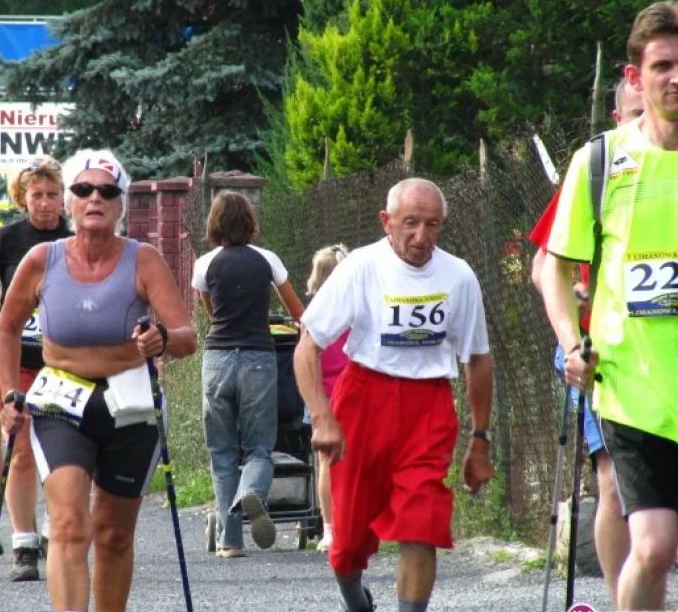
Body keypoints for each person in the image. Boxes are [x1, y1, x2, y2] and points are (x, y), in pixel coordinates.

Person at [542, 0, 678, 612]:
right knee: (656, 545)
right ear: (635, 76)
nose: (677, 77)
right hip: (631, 390)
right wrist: (569, 344)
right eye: (662, 65)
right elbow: (553, 267)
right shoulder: (601, 161)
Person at [0, 149, 196, 612]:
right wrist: (9, 393)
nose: (94, 199)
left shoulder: (142, 260)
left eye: (106, 191)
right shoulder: (40, 260)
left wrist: (161, 339)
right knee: (68, 526)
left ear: (120, 203)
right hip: (60, 403)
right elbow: (5, 328)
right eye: (83, 190)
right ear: (69, 201)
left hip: (128, 401)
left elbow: (187, 337)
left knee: (113, 534)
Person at [294, 178, 493, 612]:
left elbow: (478, 358)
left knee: (422, 523)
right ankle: (355, 601)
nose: (421, 237)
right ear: (386, 222)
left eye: (432, 225)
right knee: (346, 544)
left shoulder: (458, 276)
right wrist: (322, 415)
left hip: (429, 407)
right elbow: (307, 345)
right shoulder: (361, 266)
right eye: (410, 224)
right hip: (364, 400)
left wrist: (480, 438)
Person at [528, 75, 643, 605]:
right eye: (635, 112)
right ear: (617, 118)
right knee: (613, 480)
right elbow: (541, 267)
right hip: (600, 352)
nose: (649, 120)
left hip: (672, 352)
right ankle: (624, 597)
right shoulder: (600, 171)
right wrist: (576, 318)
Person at [0, 156, 71, 579]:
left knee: (67, 451)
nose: (45, 204)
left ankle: (60, 526)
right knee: (21, 447)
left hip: (65, 360)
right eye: (37, 196)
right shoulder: (6, 240)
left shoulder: (77, 237)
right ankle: (24, 543)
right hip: (13, 357)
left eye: (52, 195)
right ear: (22, 199)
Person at [191, 191, 304, 558]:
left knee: (222, 450)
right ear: (250, 222)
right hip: (259, 357)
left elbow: (212, 313)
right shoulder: (267, 260)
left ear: (214, 223)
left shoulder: (204, 265)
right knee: (258, 447)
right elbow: (297, 311)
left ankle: (231, 541)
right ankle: (253, 491)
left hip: (218, 360)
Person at [302, 244, 350, 554]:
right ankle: (351, 523)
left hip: (320, 396)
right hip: (350, 393)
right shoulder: (352, 312)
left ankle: (329, 529)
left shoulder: (310, 316)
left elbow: (305, 360)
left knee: (324, 463)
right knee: (354, 459)